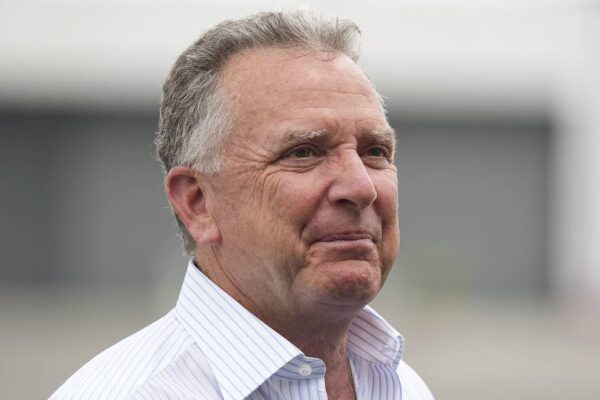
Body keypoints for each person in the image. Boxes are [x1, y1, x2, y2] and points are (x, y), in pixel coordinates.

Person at [50, 11, 434, 400]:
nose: (362, 187)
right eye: (303, 152)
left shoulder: (403, 387)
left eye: (375, 152)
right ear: (198, 203)